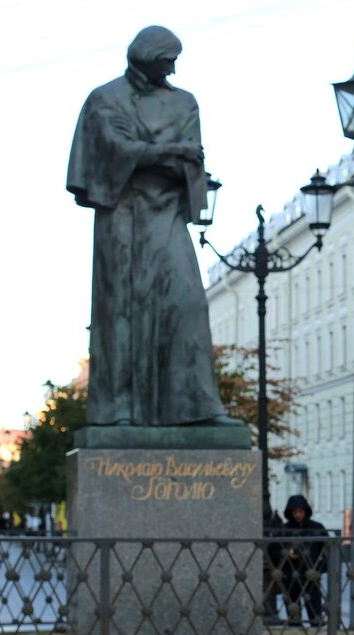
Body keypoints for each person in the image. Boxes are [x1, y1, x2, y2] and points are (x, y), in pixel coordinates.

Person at [67, 26, 235, 427]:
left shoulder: (184, 103)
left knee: (187, 302)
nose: (173, 70)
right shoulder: (105, 99)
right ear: (145, 57)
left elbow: (191, 161)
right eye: (166, 61)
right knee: (120, 312)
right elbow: (114, 151)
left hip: (167, 212)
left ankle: (196, 408)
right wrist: (171, 151)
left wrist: (157, 156)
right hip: (120, 213)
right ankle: (117, 412)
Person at [281, 494, 328, 626]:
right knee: (293, 614)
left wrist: (319, 568)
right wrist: (287, 554)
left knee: (315, 612)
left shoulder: (316, 527)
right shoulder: (284, 529)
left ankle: (316, 630)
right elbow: (275, 550)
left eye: (300, 511)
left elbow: (327, 549)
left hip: (311, 574)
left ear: (305, 511)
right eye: (295, 512)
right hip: (291, 574)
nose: (297, 515)